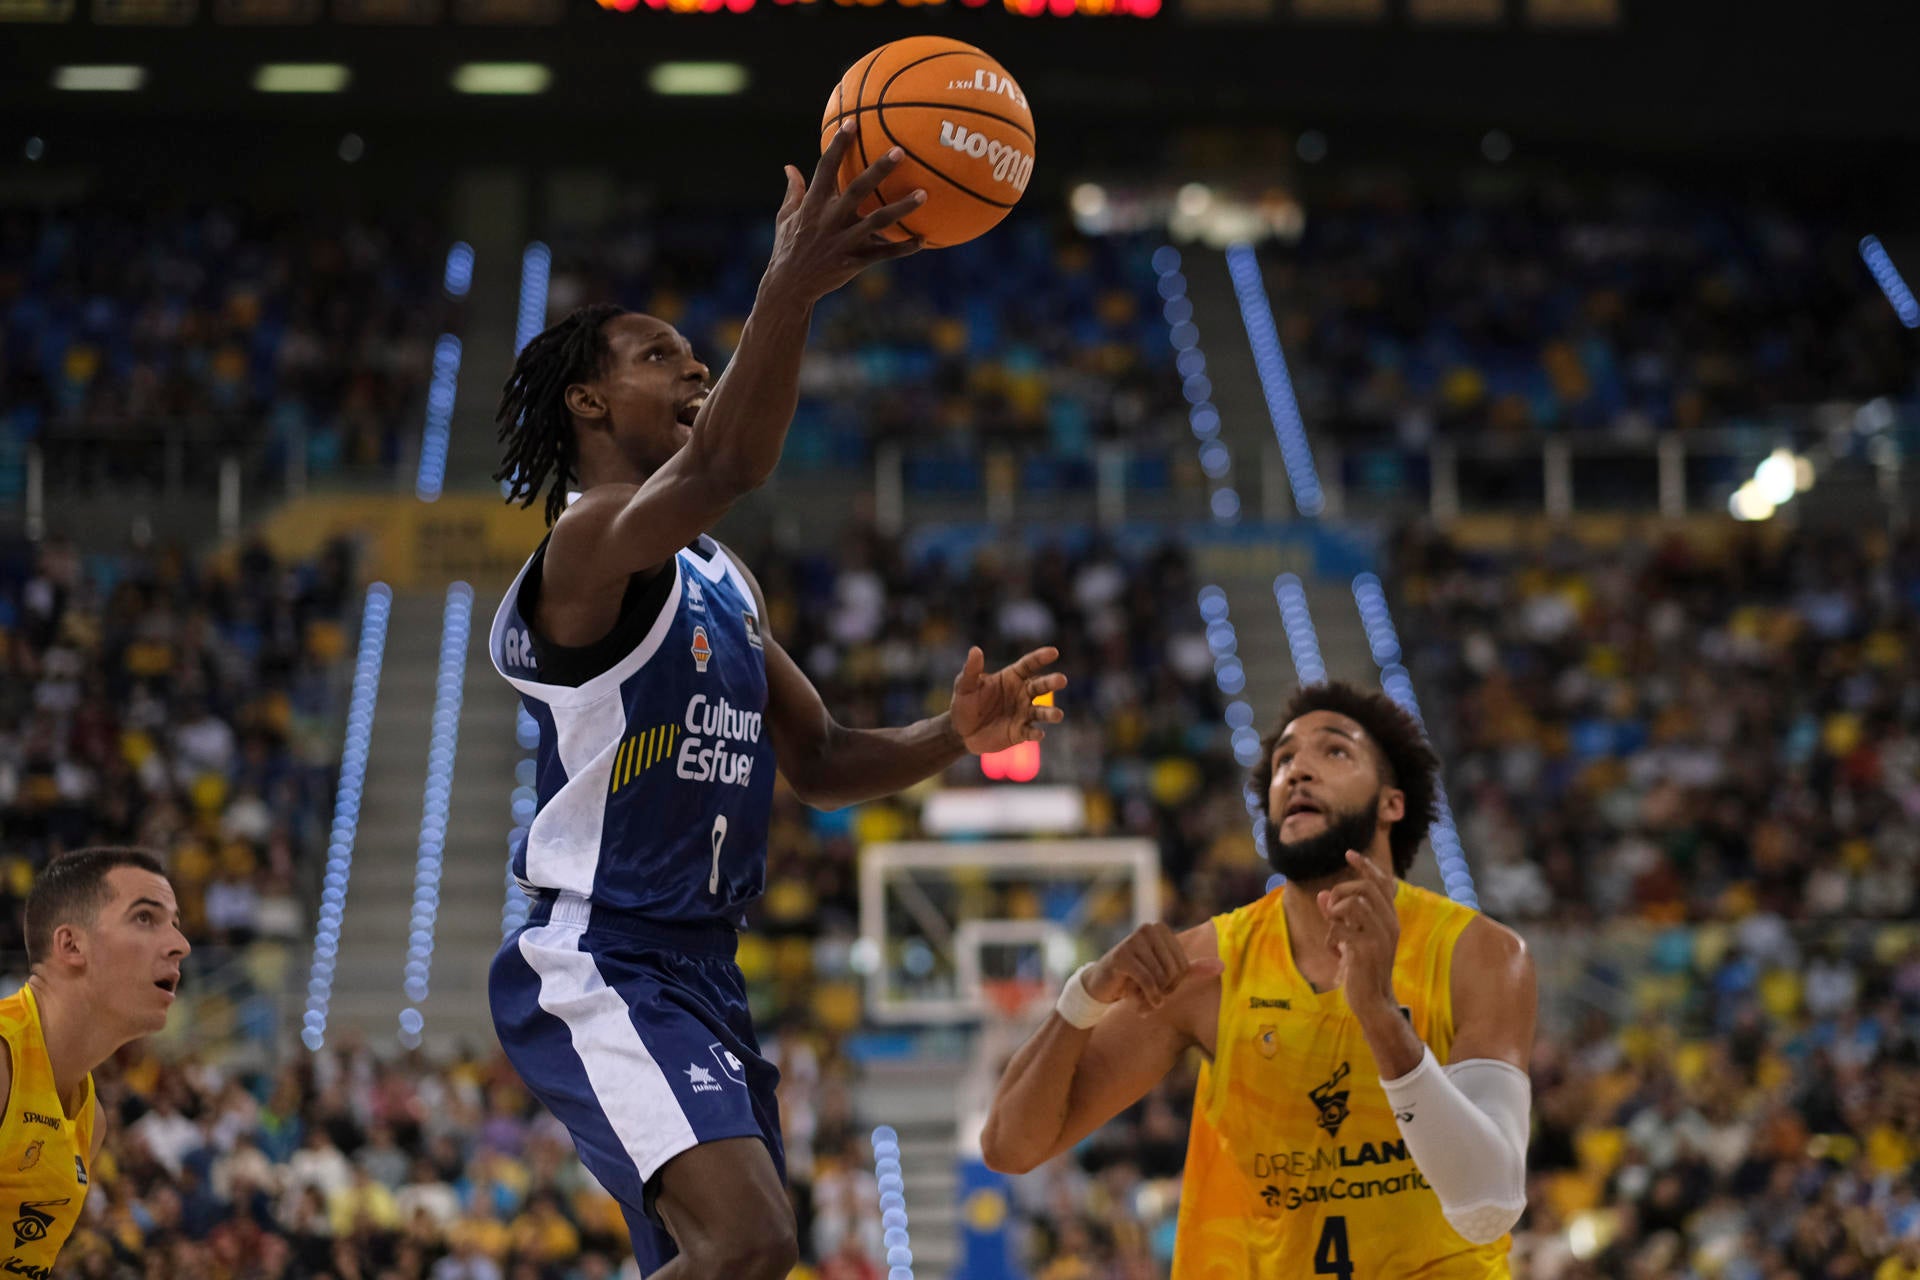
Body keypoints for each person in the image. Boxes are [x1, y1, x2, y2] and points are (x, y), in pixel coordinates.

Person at [485, 124, 1067, 1279]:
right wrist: (790, 287)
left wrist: (956, 733)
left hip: (704, 962)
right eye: (663, 358)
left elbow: (825, 755)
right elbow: (721, 472)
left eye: (701, 356)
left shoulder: (721, 579)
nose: (696, 371)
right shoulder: (586, 547)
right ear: (590, 404)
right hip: (602, 952)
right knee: (752, 1239)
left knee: (724, 1258)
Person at [981, 682, 1536, 1277]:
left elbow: (1489, 1206)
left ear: (1390, 803)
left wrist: (1377, 1013)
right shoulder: (1209, 966)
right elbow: (1011, 1147)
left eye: (1335, 752)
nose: (1297, 772)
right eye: (1284, 762)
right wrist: (1083, 997)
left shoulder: (1479, 954)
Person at [0, 847, 190, 1277]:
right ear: (71, 944)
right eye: (145, 918)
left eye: (176, 925)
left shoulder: (92, 1119)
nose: (181, 945)